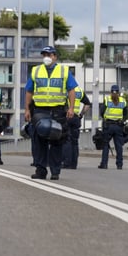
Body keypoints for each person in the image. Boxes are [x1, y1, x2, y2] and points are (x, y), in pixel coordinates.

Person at [24, 46, 76, 180]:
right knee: (39, 141)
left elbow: (71, 90)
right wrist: (27, 109)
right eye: (44, 54)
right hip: (40, 110)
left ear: (55, 56)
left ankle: (55, 170)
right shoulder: (36, 70)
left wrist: (71, 108)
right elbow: (29, 91)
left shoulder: (64, 71)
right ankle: (41, 170)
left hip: (58, 110)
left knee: (57, 140)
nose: (47, 57)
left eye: (49, 54)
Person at [98, 85, 128, 170]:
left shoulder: (107, 100)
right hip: (118, 126)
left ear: (111, 92)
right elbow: (126, 113)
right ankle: (119, 164)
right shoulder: (123, 101)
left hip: (108, 125)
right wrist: (122, 120)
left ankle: (104, 164)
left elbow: (102, 112)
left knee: (106, 144)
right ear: (119, 92)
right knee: (119, 146)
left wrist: (105, 118)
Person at [62, 86, 91, 169]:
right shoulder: (80, 91)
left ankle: (66, 163)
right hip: (75, 118)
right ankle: (74, 164)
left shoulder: (64, 89)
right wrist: (81, 115)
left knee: (66, 140)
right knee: (75, 142)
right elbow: (87, 104)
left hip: (66, 117)